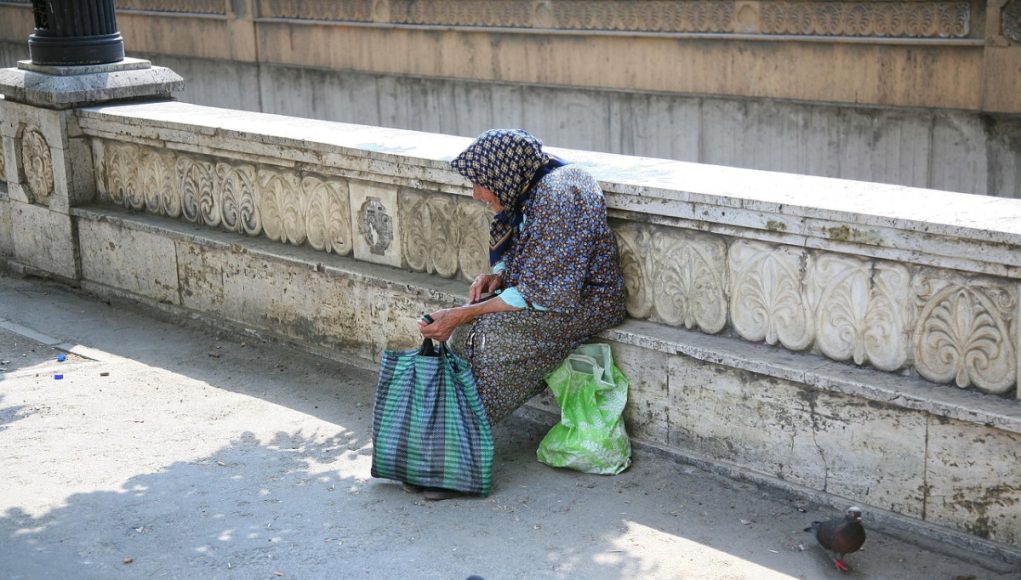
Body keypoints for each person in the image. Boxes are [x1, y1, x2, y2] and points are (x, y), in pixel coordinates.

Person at [419, 128, 627, 428]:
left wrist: (460, 314)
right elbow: (535, 258)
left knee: (492, 337)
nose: (475, 194)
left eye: (479, 183)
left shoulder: (560, 195)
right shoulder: (530, 183)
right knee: (467, 333)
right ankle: (450, 423)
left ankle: (468, 428)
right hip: (549, 292)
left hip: (588, 301)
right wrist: (500, 276)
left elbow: (542, 292)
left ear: (502, 176)